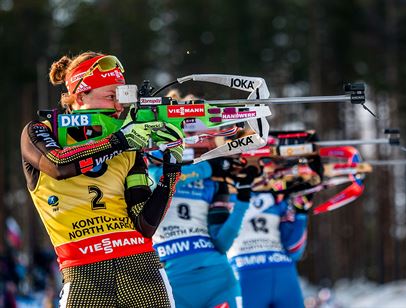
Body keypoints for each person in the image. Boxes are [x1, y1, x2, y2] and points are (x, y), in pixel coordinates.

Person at [20, 51, 184, 307]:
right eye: (111, 96)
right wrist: (119, 141)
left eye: (122, 98)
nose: (119, 107)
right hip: (84, 275)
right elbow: (58, 164)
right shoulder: (41, 130)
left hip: (142, 271)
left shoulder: (129, 146)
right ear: (81, 95)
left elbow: (144, 225)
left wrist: (170, 174)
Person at [148, 91, 257, 308]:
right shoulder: (155, 161)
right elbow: (160, 180)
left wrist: (243, 200)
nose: (196, 143)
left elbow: (222, 242)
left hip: (218, 278)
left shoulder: (214, 181)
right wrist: (208, 167)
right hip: (173, 281)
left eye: (205, 136)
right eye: (192, 135)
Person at [227, 154, 323, 308]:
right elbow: (294, 249)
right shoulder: (277, 196)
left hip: (249, 271)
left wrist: (300, 211)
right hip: (278, 271)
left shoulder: (278, 195)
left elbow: (294, 249)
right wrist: (299, 213)